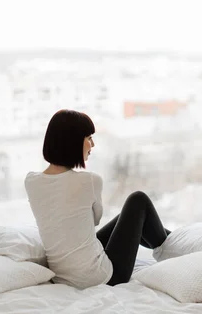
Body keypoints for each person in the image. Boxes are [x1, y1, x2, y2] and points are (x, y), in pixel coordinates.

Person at [25, 109, 170, 288]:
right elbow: (94, 220)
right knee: (138, 201)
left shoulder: (31, 181)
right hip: (104, 277)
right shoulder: (89, 181)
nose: (92, 145)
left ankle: (174, 243)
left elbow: (81, 225)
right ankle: (175, 250)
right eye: (88, 138)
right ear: (72, 142)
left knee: (129, 219)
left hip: (63, 276)